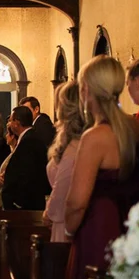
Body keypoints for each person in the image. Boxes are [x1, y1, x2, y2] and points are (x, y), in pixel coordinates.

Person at [56, 55, 139, 279]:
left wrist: (70, 228)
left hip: (98, 227)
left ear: (87, 91)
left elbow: (77, 201)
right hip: (128, 225)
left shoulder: (95, 137)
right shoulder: (134, 128)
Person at [44, 81, 84, 242]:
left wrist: (49, 212)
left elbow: (64, 183)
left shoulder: (76, 143)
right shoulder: (67, 138)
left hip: (67, 220)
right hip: (62, 217)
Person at [0, 106, 50, 210]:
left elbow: (27, 173)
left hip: (25, 204)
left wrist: (17, 202)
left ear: (17, 122)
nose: (9, 124)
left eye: (11, 120)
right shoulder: (28, 137)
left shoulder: (29, 141)